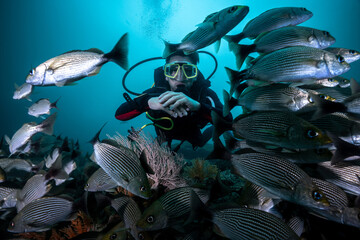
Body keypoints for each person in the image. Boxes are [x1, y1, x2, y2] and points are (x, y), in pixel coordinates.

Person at [115, 50, 232, 151]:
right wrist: (148, 102)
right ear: (166, 75)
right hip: (165, 134)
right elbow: (119, 115)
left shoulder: (206, 95)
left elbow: (229, 122)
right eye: (173, 70)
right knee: (164, 147)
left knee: (200, 143)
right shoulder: (153, 94)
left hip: (191, 132)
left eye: (188, 70)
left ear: (195, 75)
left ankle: (211, 132)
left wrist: (199, 106)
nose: (180, 77)